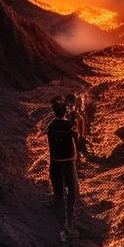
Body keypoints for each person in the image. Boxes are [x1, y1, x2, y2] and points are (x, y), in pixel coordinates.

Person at [47, 95, 78, 231]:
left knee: (58, 191)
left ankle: (59, 223)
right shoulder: (68, 126)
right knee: (72, 191)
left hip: (55, 163)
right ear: (65, 111)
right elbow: (75, 137)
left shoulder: (51, 126)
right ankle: (69, 222)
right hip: (68, 163)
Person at [65, 92, 88, 163]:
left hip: (76, 136)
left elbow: (81, 125)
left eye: (71, 104)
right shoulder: (73, 115)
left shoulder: (77, 115)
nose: (70, 106)